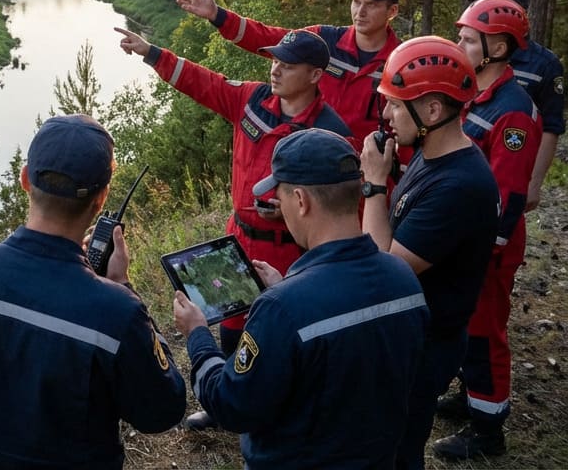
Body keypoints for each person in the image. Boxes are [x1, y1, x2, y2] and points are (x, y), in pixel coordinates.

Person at [0, 114, 190, 470]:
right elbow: (162, 412)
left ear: (25, 179)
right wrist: (123, 286)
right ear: (101, 199)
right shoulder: (116, 311)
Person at [115, 25, 350, 431]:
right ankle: (222, 400)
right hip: (238, 236)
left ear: (314, 75)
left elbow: (341, 201)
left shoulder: (331, 131)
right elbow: (202, 82)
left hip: (293, 248)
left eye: (287, 64)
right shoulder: (253, 98)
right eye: (274, 59)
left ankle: (278, 401)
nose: (275, 69)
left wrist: (292, 210)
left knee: (279, 329)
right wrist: (152, 52)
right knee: (230, 318)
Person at [173, 127, 430, 469]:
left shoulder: (282, 309)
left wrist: (198, 336)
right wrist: (289, 285)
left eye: (279, 196)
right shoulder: (403, 279)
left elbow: (231, 405)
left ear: (301, 201)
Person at [359, 36, 499, 470]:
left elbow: (382, 269)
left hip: (425, 344)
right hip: (413, 333)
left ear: (433, 111)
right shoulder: (432, 154)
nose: (385, 115)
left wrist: (374, 185)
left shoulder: (459, 187)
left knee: (398, 448)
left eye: (397, 105)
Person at [429, 0, 542, 460]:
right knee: (461, 325)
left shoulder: (513, 111)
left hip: (487, 249)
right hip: (464, 242)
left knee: (484, 334)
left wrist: (482, 251)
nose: (460, 43)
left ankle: (488, 432)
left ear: (497, 47)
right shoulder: (476, 94)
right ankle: (468, 395)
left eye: (468, 39)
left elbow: (509, 196)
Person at [175, 0, 402, 147]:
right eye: (356, 1)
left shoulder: (400, 63)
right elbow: (268, 37)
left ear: (392, 11)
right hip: (307, 162)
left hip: (365, 178)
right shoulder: (324, 40)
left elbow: (408, 129)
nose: (360, 12)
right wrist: (218, 16)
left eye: (371, 4)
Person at [466, 0, 565, 212]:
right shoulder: (472, 50)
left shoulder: (544, 64)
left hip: (512, 160)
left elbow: (551, 127)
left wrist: (534, 182)